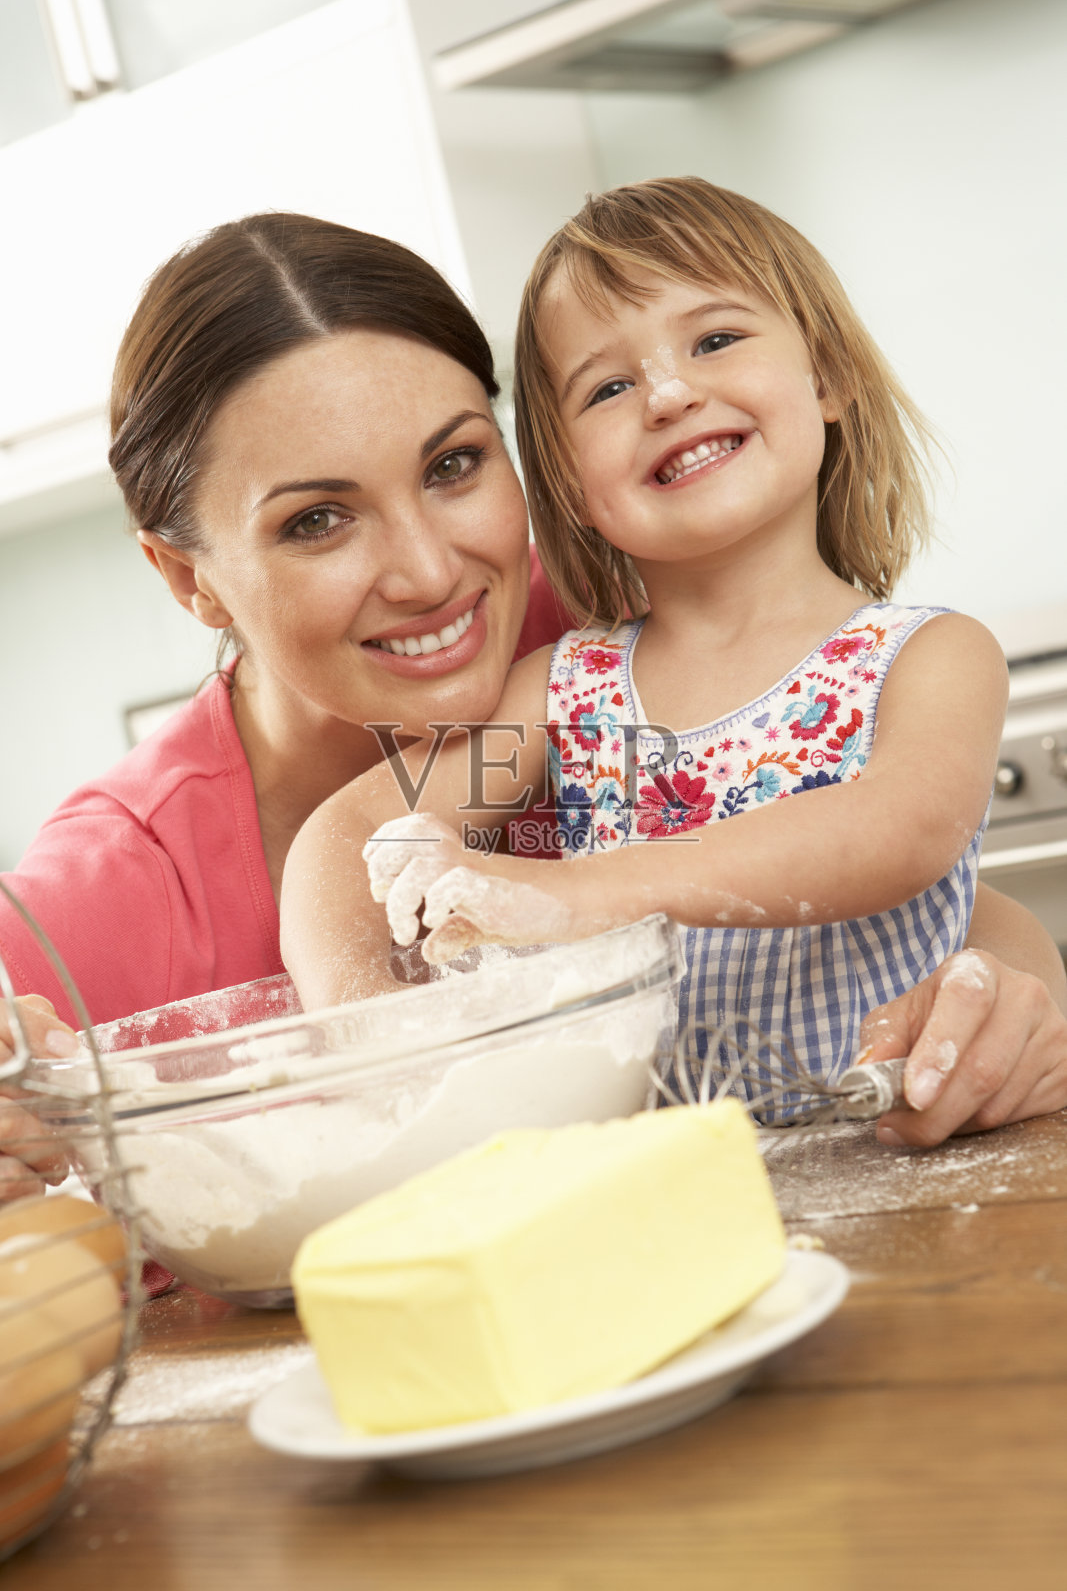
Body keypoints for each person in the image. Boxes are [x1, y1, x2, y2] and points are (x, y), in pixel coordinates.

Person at [0, 206, 1062, 1191]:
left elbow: (886, 855)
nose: (427, 571)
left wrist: (1002, 990)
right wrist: (389, 1057)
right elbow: (350, 845)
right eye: (316, 520)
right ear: (187, 576)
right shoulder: (102, 895)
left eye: (454, 464)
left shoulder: (583, 621)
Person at [281, 179, 1067, 1144]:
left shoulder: (928, 659)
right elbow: (353, 832)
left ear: (825, 377)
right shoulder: (559, 699)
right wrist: (381, 1044)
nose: (667, 392)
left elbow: (892, 833)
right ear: (565, 485)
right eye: (607, 388)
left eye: (714, 340)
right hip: (667, 1200)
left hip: (903, 1175)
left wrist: (564, 894)